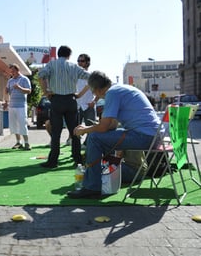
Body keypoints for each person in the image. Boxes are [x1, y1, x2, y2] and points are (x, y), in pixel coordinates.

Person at [68, 70, 162, 198]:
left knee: (94, 138)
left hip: (144, 136)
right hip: (153, 135)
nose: (95, 95)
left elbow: (103, 127)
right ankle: (107, 176)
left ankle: (92, 187)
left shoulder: (112, 93)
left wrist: (84, 129)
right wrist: (92, 127)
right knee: (102, 136)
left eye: (93, 92)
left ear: (97, 89)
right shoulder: (120, 89)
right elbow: (111, 126)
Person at [38, 45, 90, 168]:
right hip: (71, 99)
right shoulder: (74, 66)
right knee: (75, 131)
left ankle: (53, 161)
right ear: (69, 55)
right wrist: (80, 94)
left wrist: (46, 92)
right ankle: (77, 159)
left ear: (58, 54)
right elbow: (89, 78)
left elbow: (41, 76)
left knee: (56, 132)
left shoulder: (51, 64)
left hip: (56, 99)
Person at [5, 63, 32, 150]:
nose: (12, 73)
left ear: (17, 70)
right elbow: (7, 92)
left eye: (13, 71)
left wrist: (19, 88)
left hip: (21, 106)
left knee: (22, 123)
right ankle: (18, 142)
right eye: (11, 71)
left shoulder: (24, 79)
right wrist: (6, 93)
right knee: (14, 125)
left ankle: (27, 143)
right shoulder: (10, 81)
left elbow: (29, 91)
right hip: (12, 105)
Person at [76, 54, 97, 148]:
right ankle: (76, 149)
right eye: (78, 61)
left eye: (82, 61)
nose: (79, 63)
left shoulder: (92, 75)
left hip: (89, 105)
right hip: (77, 106)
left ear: (87, 62)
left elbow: (99, 90)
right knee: (75, 128)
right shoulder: (75, 75)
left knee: (91, 128)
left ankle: (87, 146)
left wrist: (94, 101)